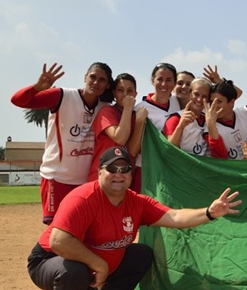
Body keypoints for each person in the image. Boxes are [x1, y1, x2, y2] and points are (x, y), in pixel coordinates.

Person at [26, 147, 242, 290]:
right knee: (74, 271)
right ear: (100, 172)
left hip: (94, 265)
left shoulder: (135, 202)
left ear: (131, 175)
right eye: (112, 169)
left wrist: (209, 212)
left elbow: (174, 216)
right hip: (49, 261)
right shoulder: (83, 198)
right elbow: (59, 241)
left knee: (140, 254)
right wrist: (98, 264)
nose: (118, 174)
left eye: (124, 169)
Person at [11, 62, 112, 224]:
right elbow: (18, 100)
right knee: (57, 229)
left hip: (85, 181)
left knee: (80, 229)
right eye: (92, 77)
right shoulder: (62, 96)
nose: (96, 82)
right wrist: (37, 87)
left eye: (102, 80)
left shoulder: (105, 108)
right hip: (56, 177)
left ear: (107, 85)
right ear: (85, 77)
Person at [88, 73, 147, 183]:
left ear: (135, 94)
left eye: (129, 91)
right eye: (120, 90)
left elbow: (133, 151)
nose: (125, 94)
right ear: (114, 93)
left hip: (123, 179)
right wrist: (128, 107)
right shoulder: (107, 111)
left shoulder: (136, 116)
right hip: (101, 178)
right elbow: (120, 138)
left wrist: (139, 122)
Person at [132, 62, 181, 191]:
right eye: (160, 79)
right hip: (145, 168)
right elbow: (133, 149)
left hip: (168, 169)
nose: (164, 84)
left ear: (175, 83)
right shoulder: (139, 108)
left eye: (169, 80)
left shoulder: (177, 102)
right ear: (152, 80)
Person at [164, 77, 210, 156]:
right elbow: (169, 150)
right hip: (183, 167)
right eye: (196, 94)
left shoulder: (209, 119)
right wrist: (181, 126)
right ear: (189, 94)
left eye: (204, 96)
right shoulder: (176, 118)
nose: (199, 99)